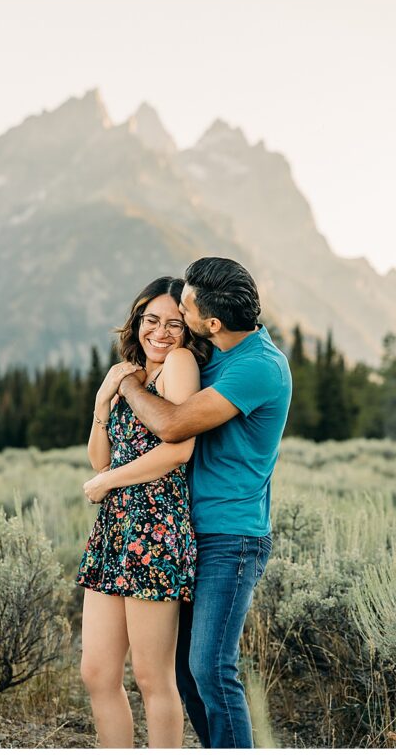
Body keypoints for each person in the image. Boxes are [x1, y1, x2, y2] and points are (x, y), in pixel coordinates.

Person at [113, 257, 292, 748]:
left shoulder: (259, 367)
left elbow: (172, 426)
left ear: (212, 322)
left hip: (231, 536)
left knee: (210, 667)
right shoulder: (216, 349)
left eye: (186, 308)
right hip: (187, 532)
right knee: (185, 671)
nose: (179, 311)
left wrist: (125, 384)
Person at [77, 276, 209, 748]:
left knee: (153, 678)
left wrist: (108, 482)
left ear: (187, 330)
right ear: (137, 321)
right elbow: (99, 457)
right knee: (97, 672)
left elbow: (179, 449)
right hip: (115, 529)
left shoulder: (180, 363)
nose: (162, 332)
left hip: (155, 529)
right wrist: (102, 399)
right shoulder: (130, 372)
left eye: (175, 323)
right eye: (151, 320)